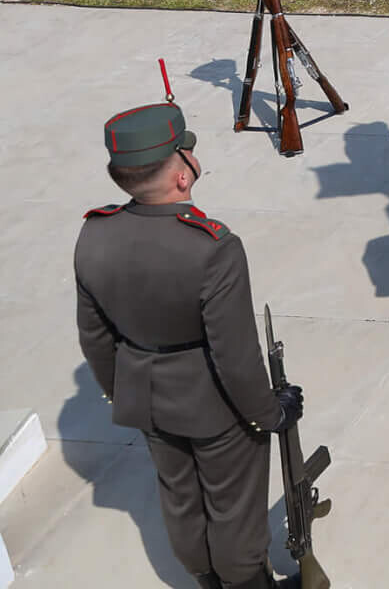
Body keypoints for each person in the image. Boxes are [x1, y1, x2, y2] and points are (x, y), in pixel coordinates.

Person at [75, 100, 304, 589]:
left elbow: (94, 335)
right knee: (234, 510)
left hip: (144, 396)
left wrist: (123, 391)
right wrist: (269, 413)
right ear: (182, 175)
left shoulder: (93, 234)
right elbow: (234, 354)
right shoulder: (212, 246)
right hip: (214, 406)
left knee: (180, 498)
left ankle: (206, 581)